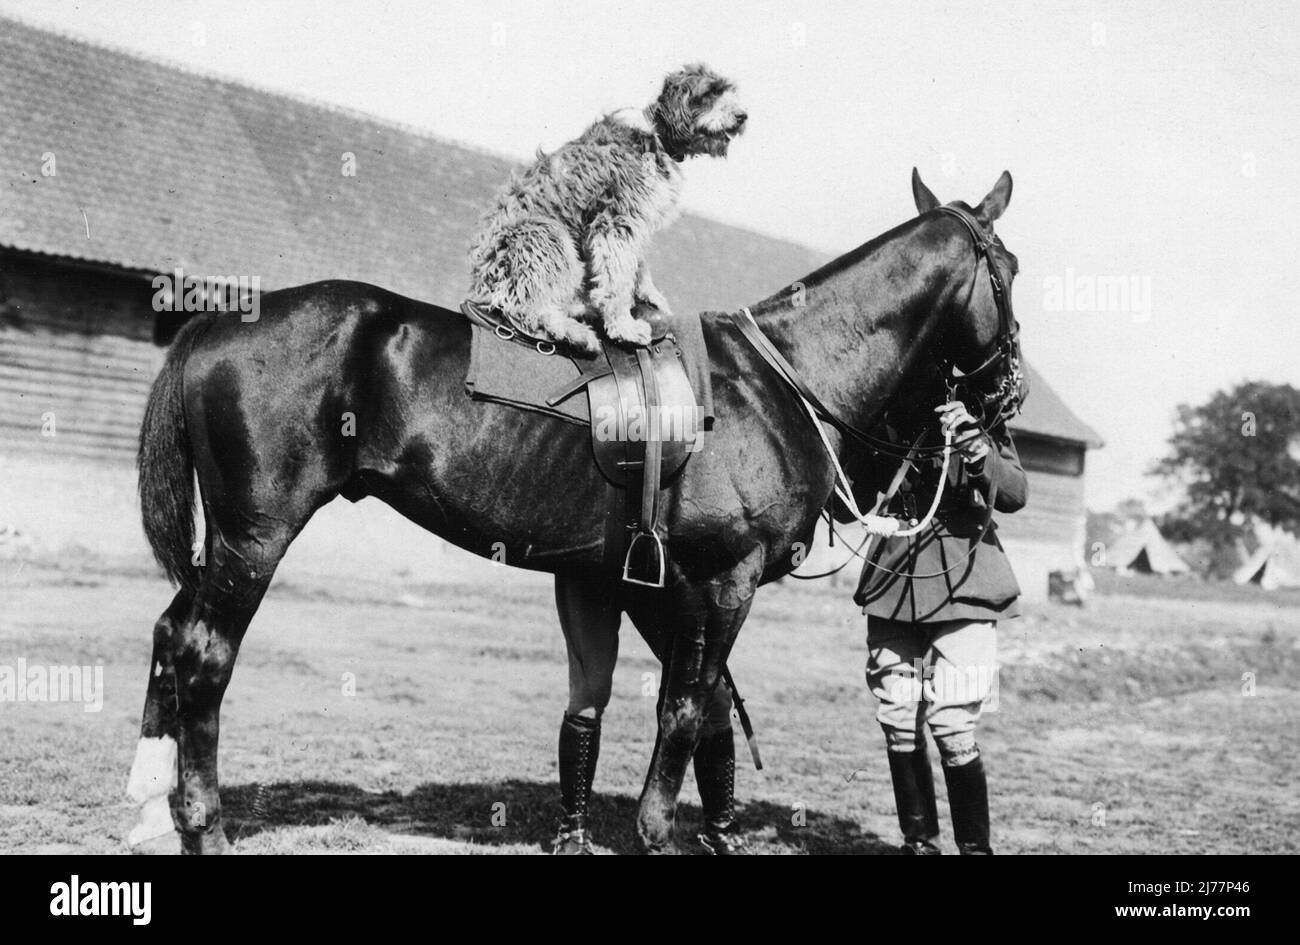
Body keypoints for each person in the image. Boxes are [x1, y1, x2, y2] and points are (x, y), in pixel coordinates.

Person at [855, 396, 1027, 854]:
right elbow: (847, 491)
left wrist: (974, 442)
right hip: (894, 573)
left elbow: (1014, 493)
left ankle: (974, 850)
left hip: (965, 575)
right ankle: (920, 845)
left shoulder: (982, 417)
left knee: (951, 722)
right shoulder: (883, 412)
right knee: (897, 715)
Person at [552, 575, 746, 855]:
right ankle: (573, 830)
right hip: (592, 567)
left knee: (713, 698)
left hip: (660, 574)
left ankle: (720, 829)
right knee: (589, 693)